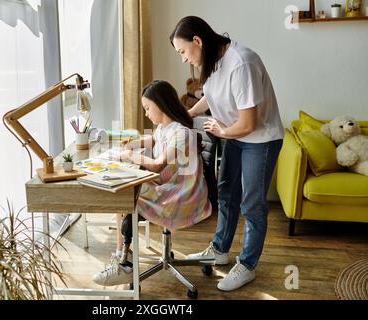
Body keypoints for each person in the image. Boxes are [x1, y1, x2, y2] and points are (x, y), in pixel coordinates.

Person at [170, 16, 284, 291]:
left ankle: (247, 265)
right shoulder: (211, 61)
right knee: (226, 193)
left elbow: (248, 124)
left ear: (197, 41)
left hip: (260, 139)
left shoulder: (241, 63)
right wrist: (185, 115)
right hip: (233, 134)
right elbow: (211, 95)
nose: (184, 59)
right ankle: (220, 250)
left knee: (252, 203)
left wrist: (221, 132)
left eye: (183, 51)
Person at [92, 80, 212, 286]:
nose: (146, 113)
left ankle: (124, 264)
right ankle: (122, 257)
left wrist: (130, 156)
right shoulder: (165, 128)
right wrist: (134, 144)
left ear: (160, 104)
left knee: (128, 195)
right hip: (169, 187)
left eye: (148, 108)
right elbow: (155, 141)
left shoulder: (181, 133)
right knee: (125, 191)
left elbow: (157, 165)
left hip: (182, 196)